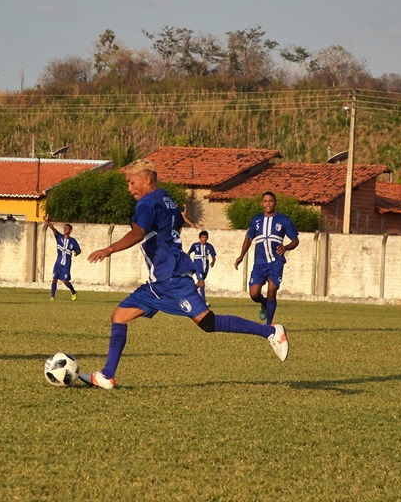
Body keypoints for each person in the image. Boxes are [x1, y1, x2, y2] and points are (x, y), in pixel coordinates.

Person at [80, 159, 289, 390]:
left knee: (208, 323)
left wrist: (109, 249)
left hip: (172, 279)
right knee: (119, 316)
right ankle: (107, 375)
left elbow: (138, 232)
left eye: (131, 183)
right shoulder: (166, 198)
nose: (129, 189)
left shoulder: (147, 203)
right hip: (157, 282)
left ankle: (271, 331)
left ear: (147, 179)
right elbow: (177, 223)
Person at [234, 191, 300, 325]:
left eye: (270, 201)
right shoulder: (256, 220)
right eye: (265, 201)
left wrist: (286, 247)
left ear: (274, 203)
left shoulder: (283, 220)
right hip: (260, 262)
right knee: (254, 294)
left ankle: (268, 325)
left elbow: (295, 240)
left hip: (276, 262)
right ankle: (264, 303)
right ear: (262, 203)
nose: (268, 203)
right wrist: (241, 256)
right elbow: (248, 239)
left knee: (272, 290)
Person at [43, 215, 81, 301]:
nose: (65, 230)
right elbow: (53, 229)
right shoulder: (59, 237)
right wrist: (47, 221)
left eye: (67, 229)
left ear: (70, 231)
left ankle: (73, 292)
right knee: (54, 279)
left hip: (66, 264)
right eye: (64, 228)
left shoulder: (73, 241)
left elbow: (78, 250)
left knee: (65, 281)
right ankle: (52, 296)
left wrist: (76, 253)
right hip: (58, 263)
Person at [187, 230, 217, 301]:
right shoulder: (195, 245)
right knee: (202, 283)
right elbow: (189, 252)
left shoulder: (209, 246)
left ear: (207, 238)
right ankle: (203, 301)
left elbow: (213, 256)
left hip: (205, 268)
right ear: (199, 238)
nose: (204, 239)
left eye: (205, 237)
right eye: (203, 237)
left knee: (199, 284)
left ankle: (188, 294)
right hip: (197, 267)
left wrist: (213, 261)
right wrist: (189, 262)